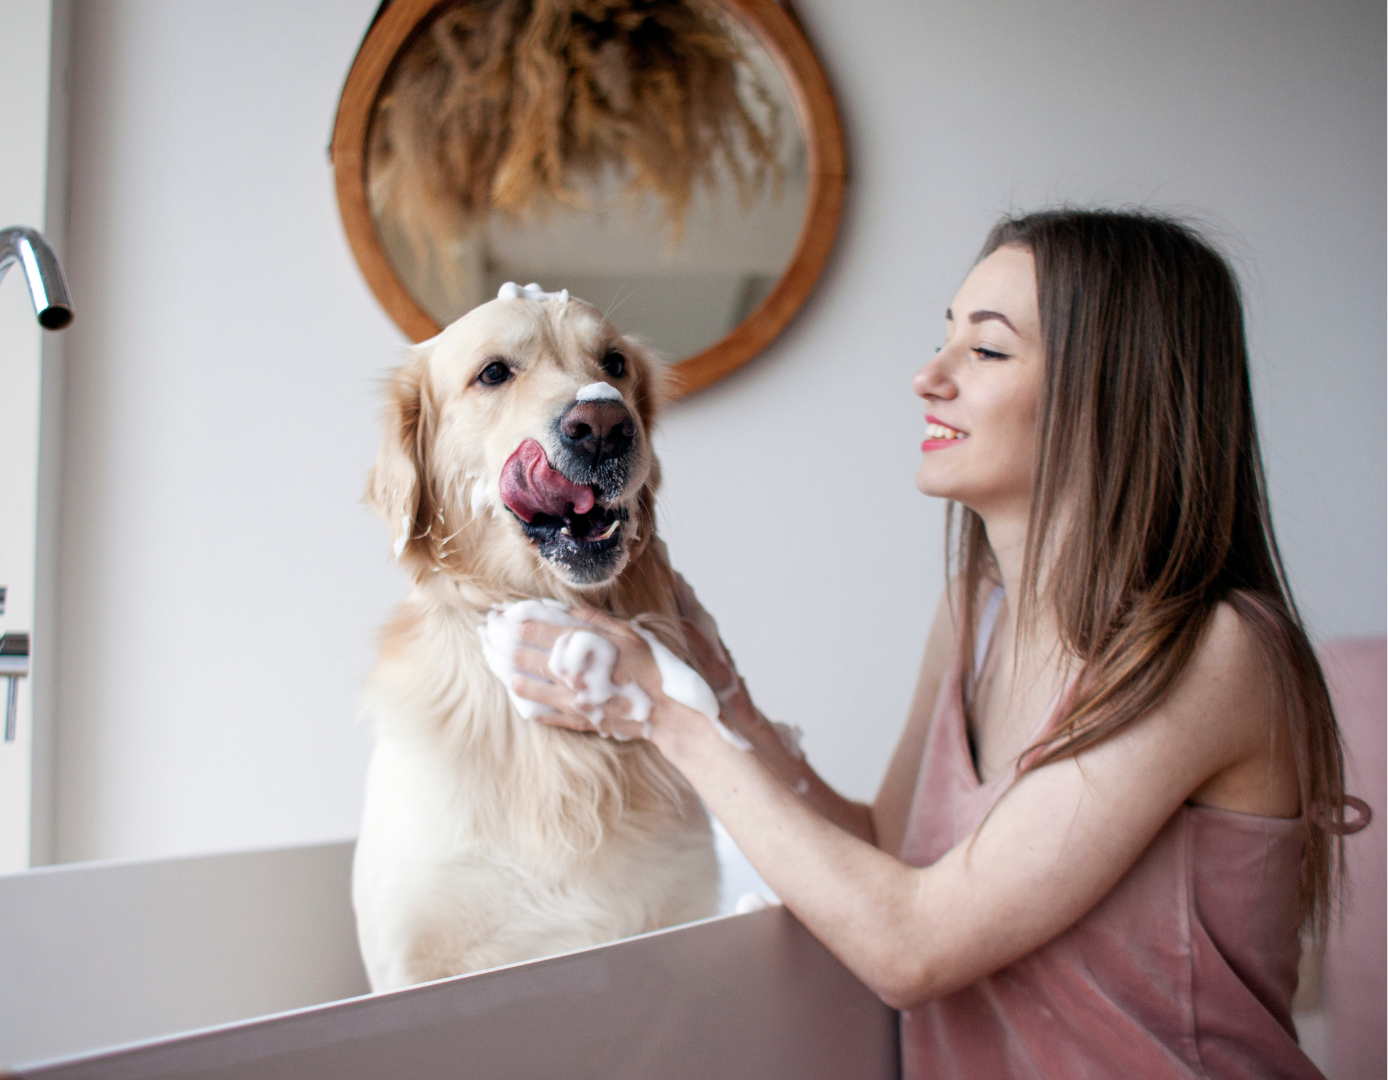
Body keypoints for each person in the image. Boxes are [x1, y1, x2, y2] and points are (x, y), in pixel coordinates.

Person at [508, 209, 1368, 1078]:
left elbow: (910, 946)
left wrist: (665, 711)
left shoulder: (1215, 653)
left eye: (986, 352)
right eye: (942, 339)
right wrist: (720, 690)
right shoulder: (975, 611)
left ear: (1116, 388)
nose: (927, 376)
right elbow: (888, 853)